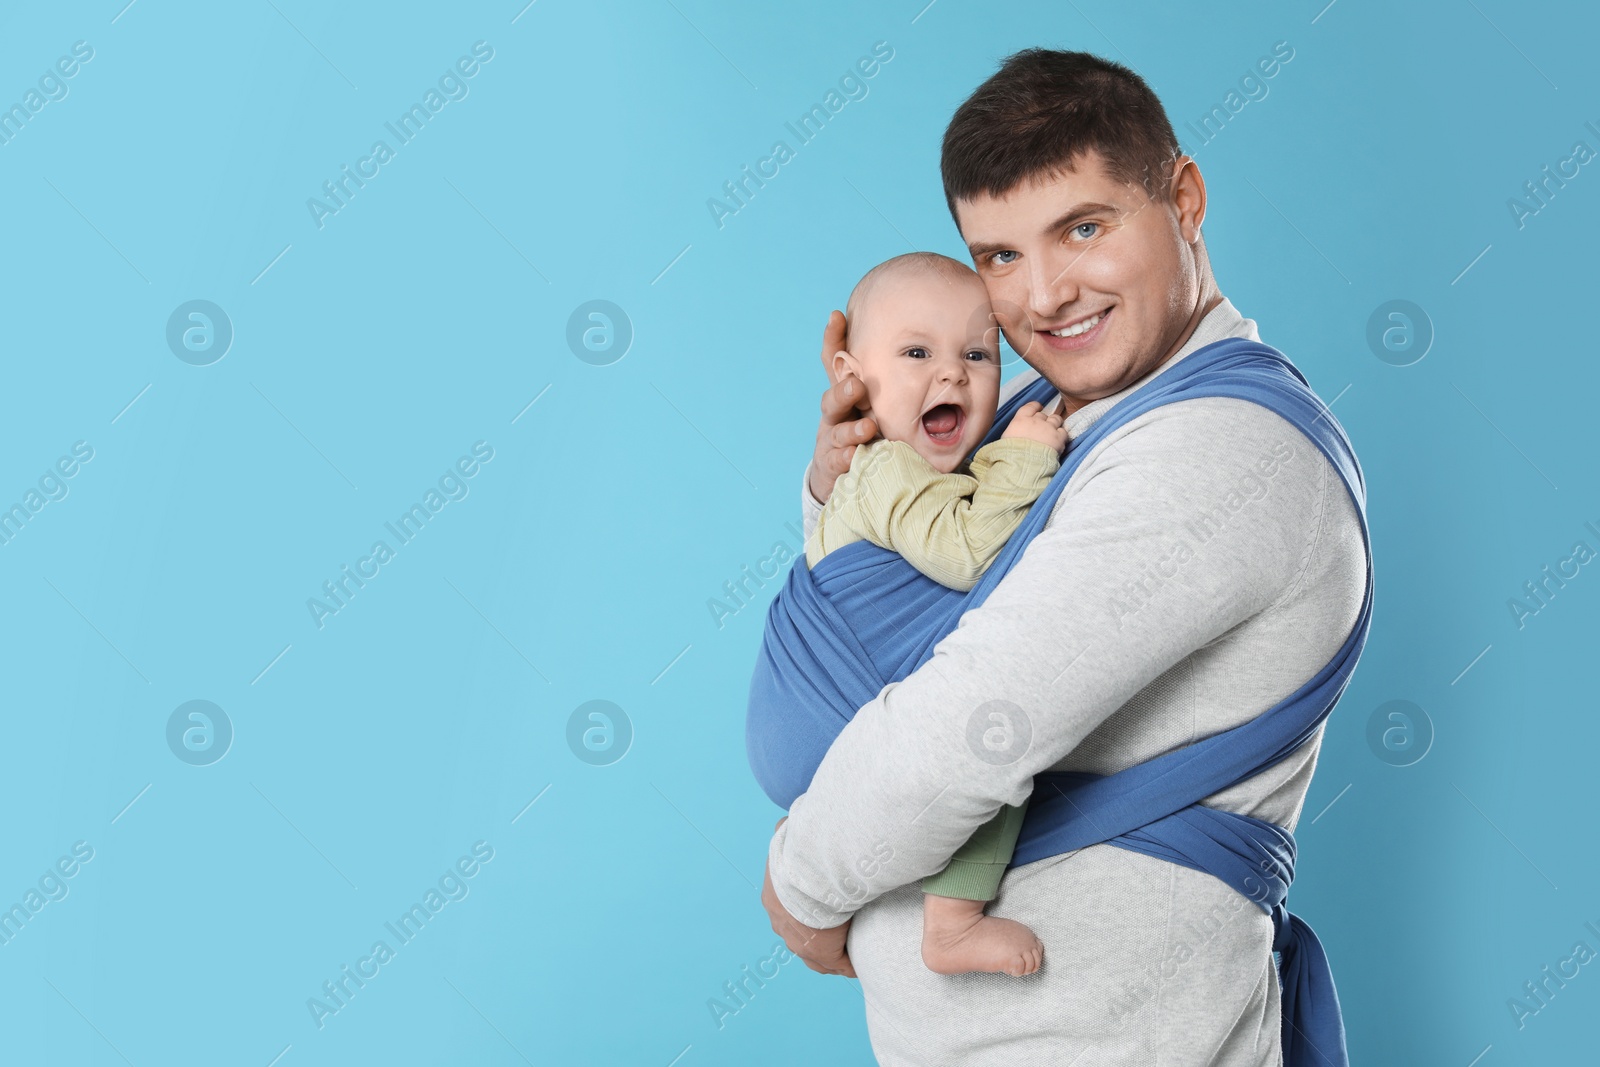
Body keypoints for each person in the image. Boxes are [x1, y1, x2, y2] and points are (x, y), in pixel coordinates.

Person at [760, 48, 1368, 1065]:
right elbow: (926, 604)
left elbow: (970, 721)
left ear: (1182, 198)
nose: (1042, 295)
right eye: (997, 256)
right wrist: (845, 478)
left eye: (1082, 228)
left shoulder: (1219, 450)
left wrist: (800, 886)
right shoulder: (1072, 424)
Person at [804, 250, 1067, 977]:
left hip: (846, 722)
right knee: (999, 742)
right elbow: (964, 552)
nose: (952, 373)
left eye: (978, 354)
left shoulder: (900, 468)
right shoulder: (887, 466)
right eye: (917, 351)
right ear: (852, 377)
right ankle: (951, 922)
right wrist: (1025, 459)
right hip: (855, 699)